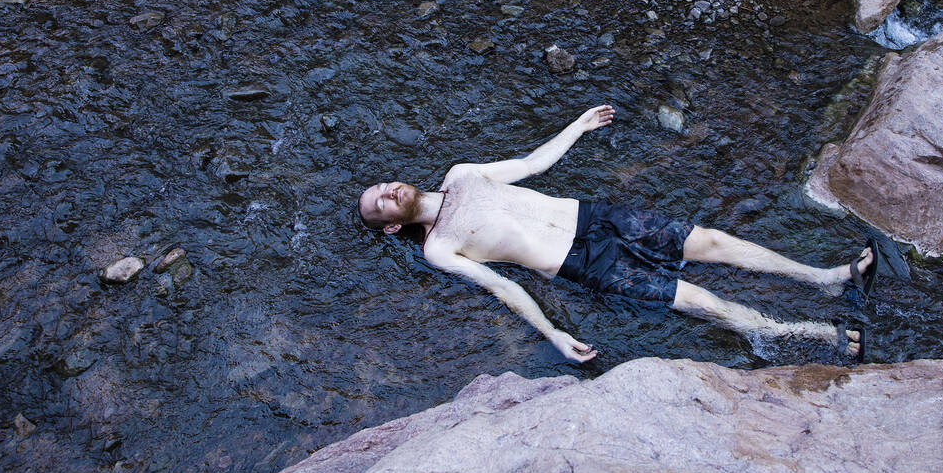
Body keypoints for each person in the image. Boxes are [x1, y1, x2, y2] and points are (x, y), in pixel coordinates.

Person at [358, 105, 873, 363]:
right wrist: (553, 334)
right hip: (583, 264)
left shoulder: (460, 174)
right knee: (697, 299)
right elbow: (504, 287)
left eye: (382, 185)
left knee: (712, 241)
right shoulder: (439, 248)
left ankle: (823, 278)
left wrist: (576, 127)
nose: (387, 191)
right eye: (381, 203)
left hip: (596, 217)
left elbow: (531, 165)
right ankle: (807, 334)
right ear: (395, 223)